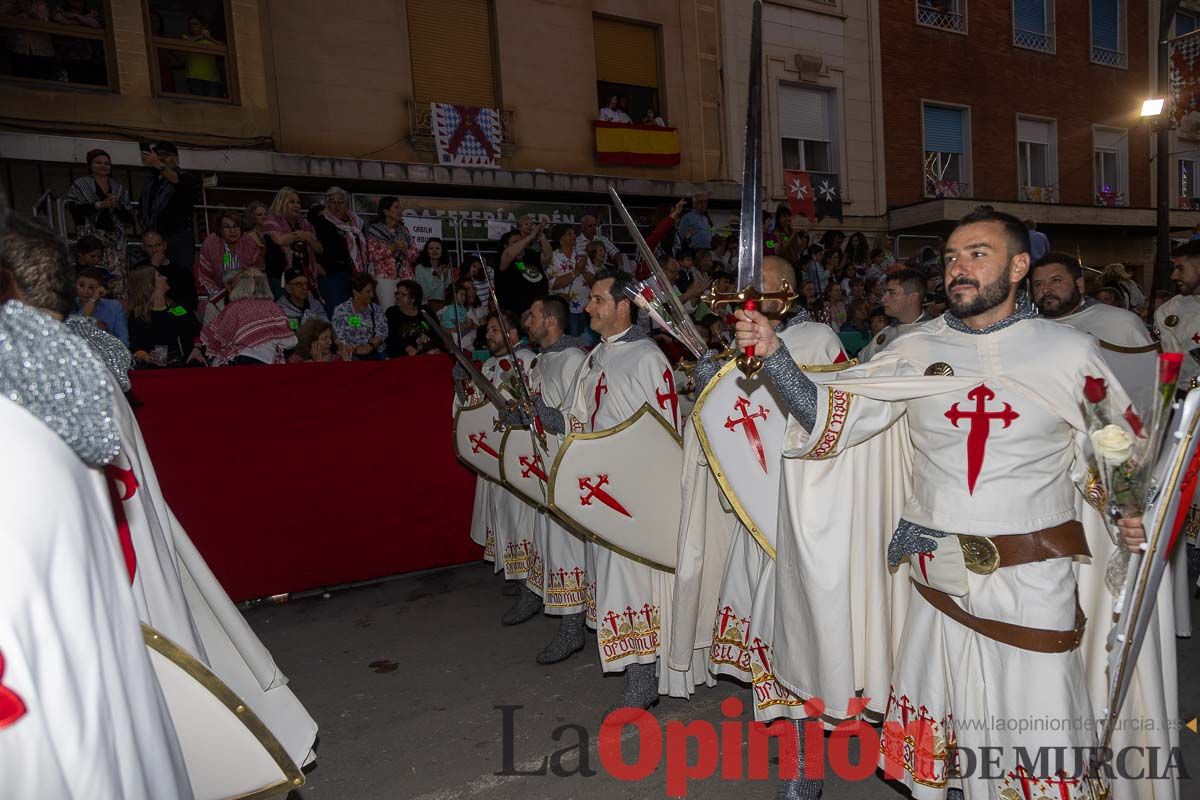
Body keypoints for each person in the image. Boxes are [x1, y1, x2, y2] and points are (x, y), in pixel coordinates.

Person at [734, 207, 1150, 800]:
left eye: (977, 254)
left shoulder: (1070, 351)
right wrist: (775, 354)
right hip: (935, 569)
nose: (959, 267)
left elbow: (1118, 444)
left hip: (1033, 573)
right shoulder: (913, 347)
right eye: (952, 257)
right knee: (946, 721)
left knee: (1036, 720)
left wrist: (1130, 511)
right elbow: (832, 416)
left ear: (1019, 266)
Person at [669, 254, 845, 732]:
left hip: (798, 506)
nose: (747, 293)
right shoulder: (736, 347)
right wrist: (710, 388)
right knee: (765, 624)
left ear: (787, 290)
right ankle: (786, 726)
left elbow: (834, 423)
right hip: (753, 505)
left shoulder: (819, 339)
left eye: (760, 285)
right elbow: (728, 425)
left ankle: (801, 750)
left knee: (794, 628)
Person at [527, 269, 684, 711]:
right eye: (589, 299)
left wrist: (648, 485)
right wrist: (543, 413)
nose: (587, 307)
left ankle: (643, 679)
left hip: (634, 490)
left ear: (622, 306)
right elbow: (578, 420)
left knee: (633, 581)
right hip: (603, 487)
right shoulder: (595, 356)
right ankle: (637, 673)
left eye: (597, 299)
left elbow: (665, 431)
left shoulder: (648, 358)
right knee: (614, 579)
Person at [506, 294, 588, 655]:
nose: (528, 322)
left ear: (551, 321)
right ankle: (538, 596)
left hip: (566, 467)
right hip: (544, 465)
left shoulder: (573, 360)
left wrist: (542, 413)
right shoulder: (541, 361)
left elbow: (578, 418)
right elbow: (538, 410)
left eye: (534, 315)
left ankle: (573, 629)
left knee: (567, 546)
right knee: (549, 543)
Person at [1032, 253, 1152, 347]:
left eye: (1056, 280)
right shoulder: (1027, 330)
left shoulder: (1122, 323)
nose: (1045, 290)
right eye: (1038, 284)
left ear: (1080, 285)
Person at [63, 148, 135, 298]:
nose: (103, 166)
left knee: (118, 279)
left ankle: (117, 310)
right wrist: (99, 205)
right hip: (91, 239)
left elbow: (129, 217)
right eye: (98, 162)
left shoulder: (118, 188)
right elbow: (73, 208)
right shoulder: (80, 184)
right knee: (93, 277)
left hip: (116, 242)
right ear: (90, 165)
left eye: (107, 163)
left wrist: (117, 206)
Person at [199, 269, 296, 366]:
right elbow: (290, 341)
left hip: (239, 363)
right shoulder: (273, 307)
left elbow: (215, 337)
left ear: (239, 287)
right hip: (268, 362)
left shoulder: (234, 307)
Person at [125, 264, 202, 368]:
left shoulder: (178, 307)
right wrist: (146, 357)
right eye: (160, 276)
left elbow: (197, 331)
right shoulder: (139, 315)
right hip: (154, 371)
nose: (165, 277)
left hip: (185, 366)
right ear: (150, 284)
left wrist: (196, 349)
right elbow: (137, 348)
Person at [138, 141, 199, 270]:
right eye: (157, 155)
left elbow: (178, 181)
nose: (160, 158)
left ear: (176, 158)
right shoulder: (151, 181)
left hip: (177, 239)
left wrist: (157, 164)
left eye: (165, 155)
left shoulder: (187, 176)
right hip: (154, 238)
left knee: (180, 276)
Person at [856, 268, 934, 362]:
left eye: (891, 293)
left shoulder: (934, 335)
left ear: (912, 298)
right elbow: (860, 363)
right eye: (885, 293)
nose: (883, 299)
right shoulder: (885, 333)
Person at [311, 186, 367, 312]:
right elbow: (312, 247)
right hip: (332, 275)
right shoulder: (320, 221)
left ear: (346, 204)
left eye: (340, 202)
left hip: (355, 275)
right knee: (337, 312)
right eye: (332, 202)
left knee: (355, 313)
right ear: (326, 204)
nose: (337, 205)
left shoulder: (357, 223)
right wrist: (318, 267)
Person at [263, 186, 323, 299]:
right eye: (292, 202)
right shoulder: (271, 220)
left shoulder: (305, 224)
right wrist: (301, 235)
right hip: (280, 278)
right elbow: (280, 240)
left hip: (304, 277)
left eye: (298, 202)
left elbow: (319, 249)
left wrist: (309, 238)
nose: (296, 205)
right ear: (281, 203)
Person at [1155, 240, 1200, 389]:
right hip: (1189, 397)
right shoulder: (1168, 312)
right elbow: (1170, 366)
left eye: (1180, 269)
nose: (1174, 276)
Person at [195, 211, 264, 305]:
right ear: (220, 229)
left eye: (236, 226)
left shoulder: (249, 243)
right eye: (227, 227)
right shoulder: (210, 244)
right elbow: (206, 275)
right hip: (217, 293)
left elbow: (257, 271)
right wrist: (219, 298)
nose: (233, 231)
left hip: (246, 293)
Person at [365, 196, 417, 308]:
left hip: (405, 276)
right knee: (388, 309)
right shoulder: (374, 230)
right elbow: (372, 256)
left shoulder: (404, 231)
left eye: (400, 207)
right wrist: (392, 248)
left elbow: (414, 255)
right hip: (385, 277)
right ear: (386, 211)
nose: (400, 210)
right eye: (396, 207)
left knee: (407, 308)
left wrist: (405, 250)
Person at [546, 223, 595, 336]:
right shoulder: (552, 257)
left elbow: (594, 281)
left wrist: (583, 270)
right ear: (560, 239)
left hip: (587, 307)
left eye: (574, 233)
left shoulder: (582, 255)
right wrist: (576, 271)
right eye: (569, 234)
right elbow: (552, 284)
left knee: (590, 342)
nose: (573, 236)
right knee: (573, 342)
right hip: (566, 310)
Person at [496, 217, 550, 314]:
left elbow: (548, 256)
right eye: (515, 242)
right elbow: (509, 254)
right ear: (506, 246)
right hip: (515, 313)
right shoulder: (503, 258)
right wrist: (532, 235)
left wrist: (541, 235)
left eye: (521, 241)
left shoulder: (530, 253)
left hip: (538, 309)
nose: (521, 244)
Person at [137, 229, 198, 314]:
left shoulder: (181, 271)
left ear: (164, 245)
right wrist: (154, 266)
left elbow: (191, 302)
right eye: (149, 246)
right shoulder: (138, 270)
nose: (154, 250)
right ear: (143, 248)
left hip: (177, 315)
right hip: (150, 316)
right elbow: (139, 298)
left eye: (158, 245)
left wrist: (172, 314)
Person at [331, 272, 387, 359]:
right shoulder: (341, 310)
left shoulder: (376, 309)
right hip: (351, 353)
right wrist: (353, 348)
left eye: (373, 290)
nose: (372, 295)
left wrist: (370, 346)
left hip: (373, 351)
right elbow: (338, 335)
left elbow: (382, 332)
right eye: (368, 292)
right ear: (356, 293)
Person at [71, 264, 128, 345]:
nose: (85, 291)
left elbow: (123, 342)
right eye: (81, 285)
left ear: (101, 289)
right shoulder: (69, 305)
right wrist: (93, 300)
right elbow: (75, 331)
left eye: (91, 287)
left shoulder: (114, 307)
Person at [385, 280, 438, 357]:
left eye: (403, 294)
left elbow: (438, 334)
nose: (398, 297)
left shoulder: (425, 311)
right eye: (397, 293)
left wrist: (428, 340)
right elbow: (390, 338)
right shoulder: (392, 312)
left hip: (429, 353)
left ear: (413, 298)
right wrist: (406, 347)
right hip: (404, 357)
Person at [180, 14, 224, 97]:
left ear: (202, 27)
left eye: (195, 24)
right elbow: (185, 43)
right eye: (190, 24)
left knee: (212, 106)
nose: (192, 26)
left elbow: (223, 47)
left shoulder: (209, 42)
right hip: (194, 78)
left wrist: (209, 38)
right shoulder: (186, 37)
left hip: (212, 79)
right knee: (199, 104)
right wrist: (202, 36)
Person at [275, 266, 328, 332]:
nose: (305, 288)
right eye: (299, 284)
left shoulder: (315, 305)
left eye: (306, 283)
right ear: (288, 288)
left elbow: (326, 326)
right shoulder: (280, 310)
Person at [413, 237, 456, 314]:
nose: (434, 250)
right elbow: (423, 294)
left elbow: (449, 293)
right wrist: (437, 279)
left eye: (437, 248)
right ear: (427, 251)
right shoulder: (419, 268)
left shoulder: (446, 267)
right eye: (431, 248)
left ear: (442, 251)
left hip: (444, 307)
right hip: (426, 308)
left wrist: (446, 277)